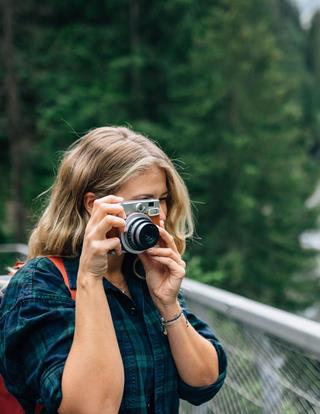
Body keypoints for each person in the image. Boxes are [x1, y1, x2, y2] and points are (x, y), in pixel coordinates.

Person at [0, 126, 227, 413]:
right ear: (93, 205)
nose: (160, 215)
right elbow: (92, 408)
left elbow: (204, 382)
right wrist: (91, 279)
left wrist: (168, 306)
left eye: (163, 199)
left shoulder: (142, 272)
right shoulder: (40, 286)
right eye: (144, 203)